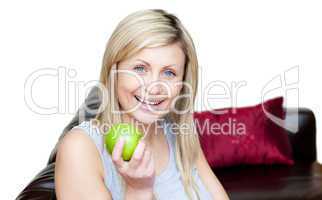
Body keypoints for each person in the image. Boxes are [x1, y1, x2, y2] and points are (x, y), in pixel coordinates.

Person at [55, 9, 229, 200]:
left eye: (169, 73)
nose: (154, 88)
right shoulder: (80, 148)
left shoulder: (180, 133)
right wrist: (139, 190)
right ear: (114, 70)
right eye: (140, 68)